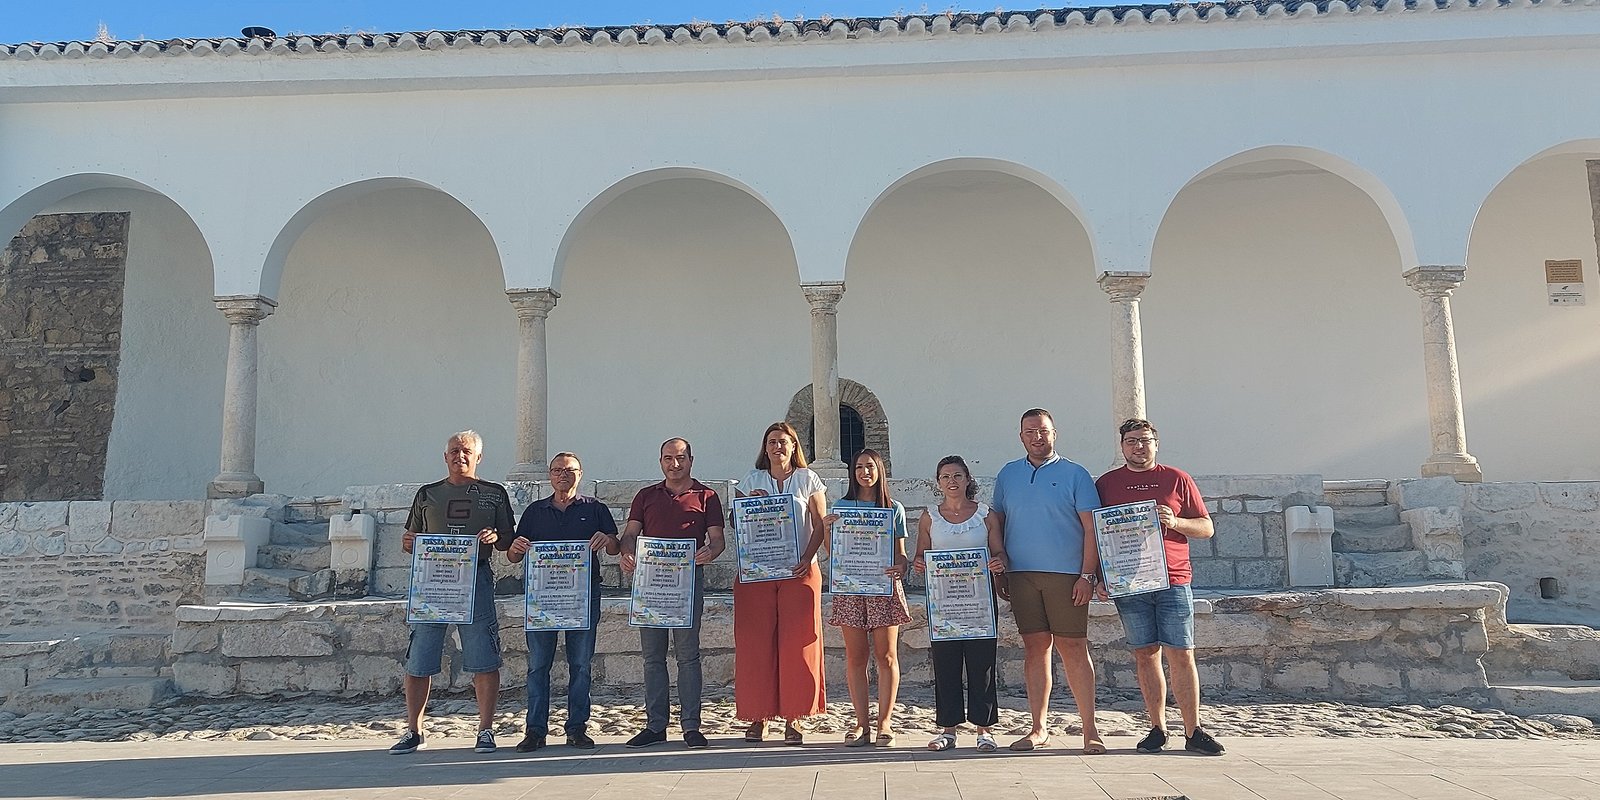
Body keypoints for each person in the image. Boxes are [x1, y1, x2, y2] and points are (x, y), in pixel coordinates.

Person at [1095, 419, 1225, 756]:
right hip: (1129, 582)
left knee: (1182, 654)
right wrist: (1098, 576)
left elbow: (1207, 528)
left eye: (1145, 440)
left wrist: (1175, 521)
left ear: (1157, 443)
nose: (1138, 447)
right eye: (1131, 441)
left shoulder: (1176, 478)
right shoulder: (1106, 484)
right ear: (1121, 446)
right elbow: (1097, 533)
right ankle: (1157, 728)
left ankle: (1194, 730)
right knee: (1145, 654)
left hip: (1173, 579)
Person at [391, 430, 512, 756]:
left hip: (476, 580)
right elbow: (410, 537)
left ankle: (485, 729)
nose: (460, 456)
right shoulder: (427, 494)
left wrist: (493, 537)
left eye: (467, 451)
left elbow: (508, 542)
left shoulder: (495, 494)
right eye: (454, 450)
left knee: (483, 656)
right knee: (419, 658)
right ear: (445, 457)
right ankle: (414, 730)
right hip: (432, 583)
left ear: (478, 457)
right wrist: (408, 543)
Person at [992, 408, 1104, 754]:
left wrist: (1087, 575)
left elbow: (1091, 528)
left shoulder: (1076, 474)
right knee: (1034, 649)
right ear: (1020, 435)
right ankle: (1038, 728)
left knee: (1073, 648)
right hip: (1022, 576)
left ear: (1054, 433)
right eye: (1030, 432)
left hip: (1067, 577)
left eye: (1043, 431)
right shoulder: (1008, 474)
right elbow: (997, 519)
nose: (1036, 437)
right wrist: (1001, 562)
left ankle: (1090, 729)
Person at [501, 451, 619, 752]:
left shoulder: (596, 509)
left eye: (569, 470)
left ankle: (577, 728)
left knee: (581, 665)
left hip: (583, 597)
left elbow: (615, 547)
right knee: (538, 665)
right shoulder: (534, 511)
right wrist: (515, 548)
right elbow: (514, 555)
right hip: (543, 598)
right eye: (556, 470)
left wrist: (607, 541)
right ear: (549, 475)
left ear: (580, 474)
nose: (562, 475)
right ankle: (535, 731)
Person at [618, 437, 725, 749]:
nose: (674, 464)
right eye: (668, 458)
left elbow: (717, 540)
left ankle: (691, 726)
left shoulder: (707, 496)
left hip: (687, 584)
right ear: (660, 461)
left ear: (691, 459)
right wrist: (627, 553)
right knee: (652, 657)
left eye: (680, 458)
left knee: (688, 656)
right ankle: (655, 726)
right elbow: (630, 535)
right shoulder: (645, 496)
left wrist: (710, 552)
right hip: (650, 584)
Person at [733, 422, 828, 745]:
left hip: (798, 572)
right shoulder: (752, 479)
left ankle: (795, 717)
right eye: (772, 442)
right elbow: (736, 521)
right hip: (757, 575)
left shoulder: (808, 479)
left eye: (783, 442)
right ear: (765, 447)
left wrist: (808, 557)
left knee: (799, 644)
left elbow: (820, 524)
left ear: (794, 446)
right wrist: (750, 503)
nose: (777, 447)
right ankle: (757, 717)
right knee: (755, 645)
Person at [911, 455, 1007, 753]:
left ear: (967, 479)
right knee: (946, 665)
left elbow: (1001, 553)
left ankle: (985, 729)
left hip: (979, 602)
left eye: (957, 475)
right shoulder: (930, 517)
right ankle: (948, 728)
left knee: (982, 665)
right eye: (945, 477)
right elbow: (920, 555)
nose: (952, 481)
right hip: (944, 603)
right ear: (938, 482)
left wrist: (998, 563)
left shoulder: (986, 515)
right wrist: (919, 564)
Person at [822, 449, 910, 748]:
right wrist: (826, 529)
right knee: (856, 657)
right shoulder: (841, 506)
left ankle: (885, 721)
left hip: (883, 586)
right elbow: (833, 553)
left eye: (869, 466)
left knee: (886, 656)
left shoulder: (893, 508)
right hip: (851, 589)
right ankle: (861, 722)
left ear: (879, 470)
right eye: (858, 467)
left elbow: (901, 553)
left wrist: (901, 566)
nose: (864, 472)